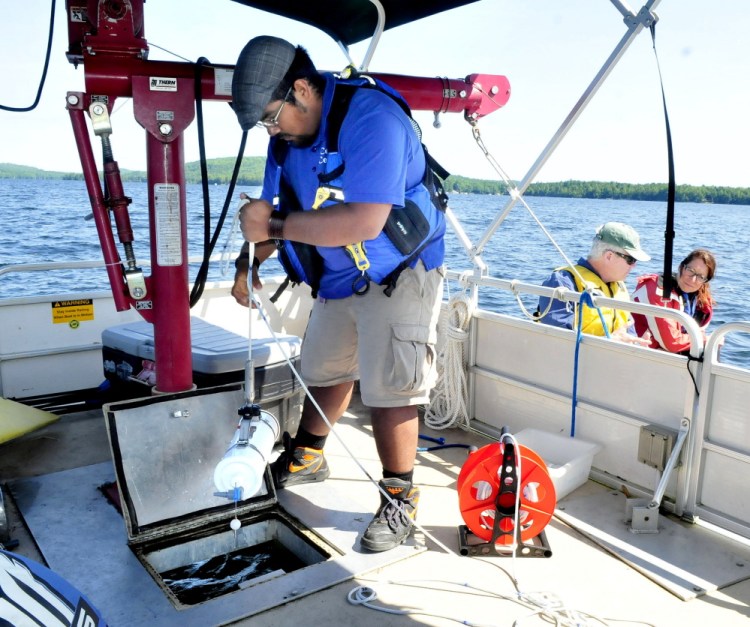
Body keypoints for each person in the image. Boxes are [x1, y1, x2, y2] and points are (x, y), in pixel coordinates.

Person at [230, 36, 446, 553]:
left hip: (400, 272)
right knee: (324, 368)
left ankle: (399, 497)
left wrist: (275, 225)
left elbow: (366, 222)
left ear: (302, 89)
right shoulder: (286, 140)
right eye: (264, 123)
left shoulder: (372, 119)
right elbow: (268, 213)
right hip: (336, 276)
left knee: (389, 387)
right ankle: (309, 454)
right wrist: (247, 262)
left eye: (271, 116)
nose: (271, 128)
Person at [536, 222, 651, 345]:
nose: (634, 266)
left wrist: (636, 344)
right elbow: (556, 338)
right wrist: (608, 341)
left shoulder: (619, 287)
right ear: (609, 256)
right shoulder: (563, 282)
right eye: (630, 259)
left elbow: (627, 332)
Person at [632, 249, 716, 354]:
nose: (693, 279)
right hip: (640, 353)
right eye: (690, 270)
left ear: (705, 281)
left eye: (700, 276)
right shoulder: (658, 290)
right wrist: (705, 339)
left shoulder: (700, 301)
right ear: (681, 267)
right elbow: (672, 343)